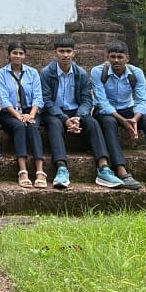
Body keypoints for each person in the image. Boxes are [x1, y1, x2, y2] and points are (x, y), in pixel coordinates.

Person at [40, 37, 124, 189]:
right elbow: (47, 101)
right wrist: (65, 119)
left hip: (76, 111)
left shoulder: (81, 74)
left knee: (93, 122)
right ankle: (61, 168)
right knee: (54, 124)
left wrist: (78, 117)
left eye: (68, 51)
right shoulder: (46, 73)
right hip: (54, 112)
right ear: (55, 53)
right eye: (61, 51)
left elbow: (87, 100)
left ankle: (104, 167)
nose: (65, 55)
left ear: (74, 53)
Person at [91, 40, 146, 190]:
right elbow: (101, 102)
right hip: (107, 111)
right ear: (107, 57)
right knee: (109, 123)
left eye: (120, 57)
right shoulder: (98, 72)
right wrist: (123, 121)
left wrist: (134, 119)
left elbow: (143, 100)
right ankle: (121, 170)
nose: (116, 60)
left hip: (128, 109)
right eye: (112, 57)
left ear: (127, 58)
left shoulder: (136, 73)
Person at [0, 41, 47, 188]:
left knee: (33, 126)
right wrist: (18, 116)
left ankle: (39, 170)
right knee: (19, 126)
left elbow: (38, 97)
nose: (18, 56)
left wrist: (31, 115)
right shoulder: (1, 73)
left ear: (25, 55)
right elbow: (3, 99)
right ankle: (22, 170)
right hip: (10, 113)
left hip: (31, 111)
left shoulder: (32, 73)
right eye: (14, 53)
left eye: (21, 53)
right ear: (9, 55)